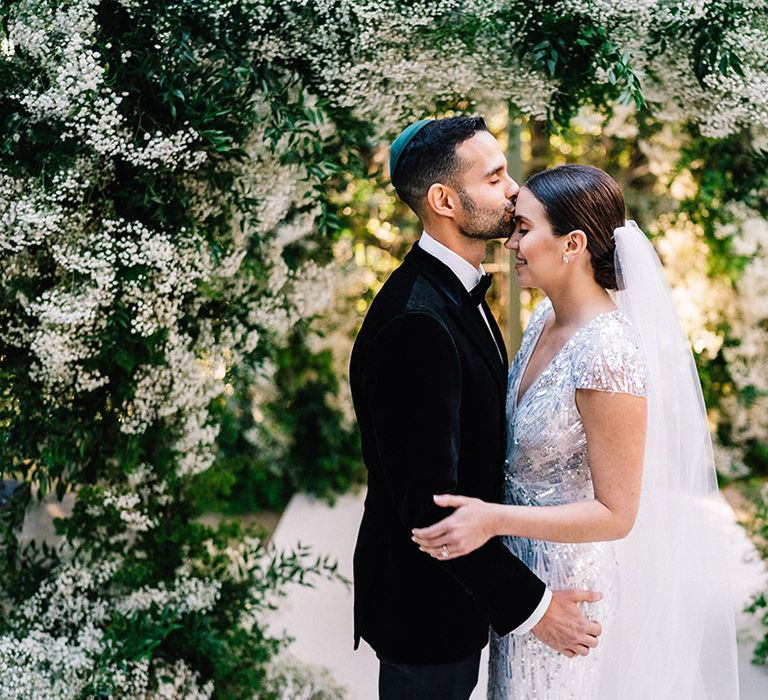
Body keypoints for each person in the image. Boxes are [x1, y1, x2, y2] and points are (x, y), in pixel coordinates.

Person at [412, 164, 739, 699]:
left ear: (573, 244)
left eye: (524, 229)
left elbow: (617, 513)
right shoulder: (545, 319)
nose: (512, 241)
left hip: (566, 582)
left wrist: (491, 518)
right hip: (517, 576)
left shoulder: (608, 353)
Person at [349, 118, 603, 700]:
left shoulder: (456, 292)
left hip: (467, 596)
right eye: (494, 178)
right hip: (427, 611)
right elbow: (432, 508)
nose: (514, 189)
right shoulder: (417, 321)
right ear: (444, 200)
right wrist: (537, 610)